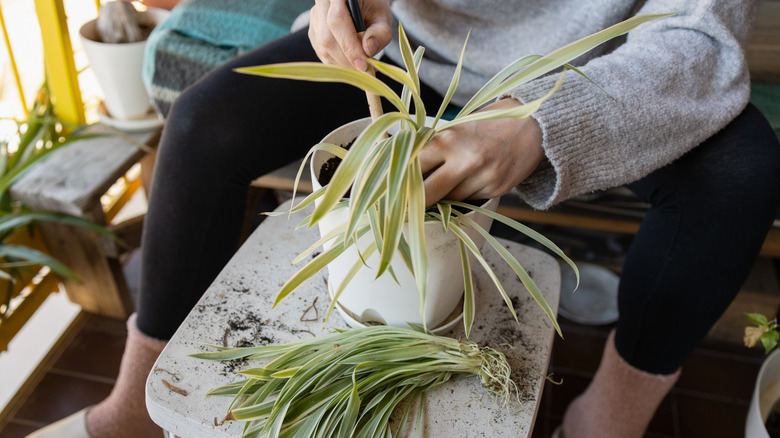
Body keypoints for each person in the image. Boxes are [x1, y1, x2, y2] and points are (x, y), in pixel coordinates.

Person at [29, 0, 780, 437]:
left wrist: (543, 121)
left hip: (593, 77)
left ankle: (602, 424)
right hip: (410, 53)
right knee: (203, 123)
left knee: (742, 172)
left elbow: (700, 35)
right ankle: (131, 409)